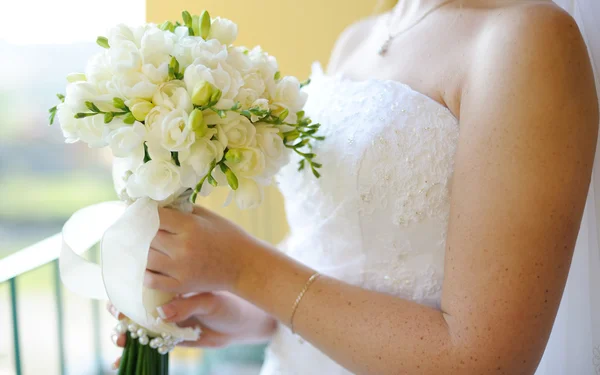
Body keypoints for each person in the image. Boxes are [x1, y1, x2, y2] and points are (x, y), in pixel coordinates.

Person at [110, 0, 599, 373]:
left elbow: (483, 361)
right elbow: (336, 257)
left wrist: (244, 267)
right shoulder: (358, 39)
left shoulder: (526, 36)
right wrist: (244, 310)